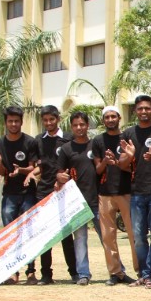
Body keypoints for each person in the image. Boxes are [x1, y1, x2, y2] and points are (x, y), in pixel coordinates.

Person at [0, 105, 39, 284]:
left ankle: (31, 272)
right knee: (10, 234)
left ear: (21, 122)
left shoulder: (30, 142)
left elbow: (34, 168)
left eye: (16, 121)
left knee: (29, 232)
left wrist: (21, 170)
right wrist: (0, 164)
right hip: (9, 194)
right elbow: (2, 173)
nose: (13, 124)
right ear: (5, 123)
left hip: (28, 193)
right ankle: (13, 271)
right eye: (10, 121)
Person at [124, 95, 151, 288]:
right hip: (136, 192)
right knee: (139, 237)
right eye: (140, 108)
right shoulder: (128, 133)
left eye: (147, 108)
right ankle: (142, 274)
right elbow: (122, 164)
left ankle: (150, 275)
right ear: (135, 111)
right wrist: (130, 156)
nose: (143, 111)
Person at [93, 105, 139, 286]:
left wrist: (122, 160)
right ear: (103, 120)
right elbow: (97, 169)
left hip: (127, 192)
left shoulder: (127, 137)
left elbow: (133, 165)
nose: (110, 120)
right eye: (107, 117)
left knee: (133, 234)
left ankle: (140, 271)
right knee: (108, 236)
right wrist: (106, 161)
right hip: (105, 193)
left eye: (113, 116)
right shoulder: (97, 141)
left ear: (119, 118)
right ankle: (115, 273)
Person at [56, 111, 103, 286]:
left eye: (82, 124)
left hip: (97, 198)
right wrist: (59, 178)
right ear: (71, 127)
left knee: (105, 237)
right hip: (77, 202)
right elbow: (60, 172)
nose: (79, 128)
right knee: (81, 239)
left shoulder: (95, 145)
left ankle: (116, 271)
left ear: (87, 125)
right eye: (75, 125)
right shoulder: (66, 149)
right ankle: (83, 273)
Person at [32, 105, 77, 284]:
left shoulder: (68, 138)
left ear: (58, 119)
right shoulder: (38, 140)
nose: (48, 123)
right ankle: (46, 275)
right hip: (43, 192)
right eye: (45, 120)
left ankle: (73, 272)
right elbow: (38, 166)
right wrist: (30, 173)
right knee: (45, 236)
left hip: (64, 193)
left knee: (67, 235)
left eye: (52, 119)